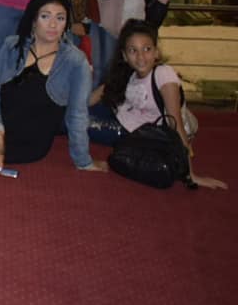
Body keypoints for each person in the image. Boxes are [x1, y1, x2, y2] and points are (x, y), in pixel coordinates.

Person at [0, 0, 108, 173]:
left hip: (25, 136)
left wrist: (83, 161)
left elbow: (77, 114)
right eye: (45, 16)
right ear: (33, 20)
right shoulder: (13, 45)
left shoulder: (75, 61)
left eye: (60, 18)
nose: (53, 24)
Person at [88, 20, 226, 189]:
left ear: (156, 52)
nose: (140, 57)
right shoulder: (130, 73)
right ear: (124, 55)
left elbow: (176, 124)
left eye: (147, 49)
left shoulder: (163, 75)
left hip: (136, 133)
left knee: (76, 122)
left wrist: (190, 175)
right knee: (76, 112)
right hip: (123, 116)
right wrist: (75, 105)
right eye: (133, 50)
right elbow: (101, 92)